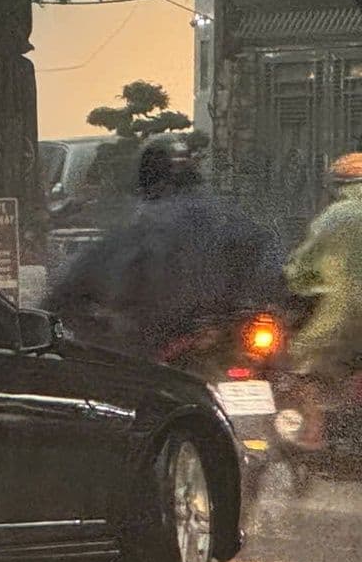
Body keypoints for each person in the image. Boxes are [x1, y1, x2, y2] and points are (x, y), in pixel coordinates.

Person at [45, 138, 283, 360]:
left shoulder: (144, 225)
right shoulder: (232, 218)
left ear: (145, 180)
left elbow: (77, 284)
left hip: (156, 344)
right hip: (229, 338)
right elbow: (273, 267)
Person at [283, 152, 362, 381]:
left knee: (300, 360)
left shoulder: (337, 216)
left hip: (346, 316)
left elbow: (302, 267)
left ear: (338, 186)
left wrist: (293, 279)